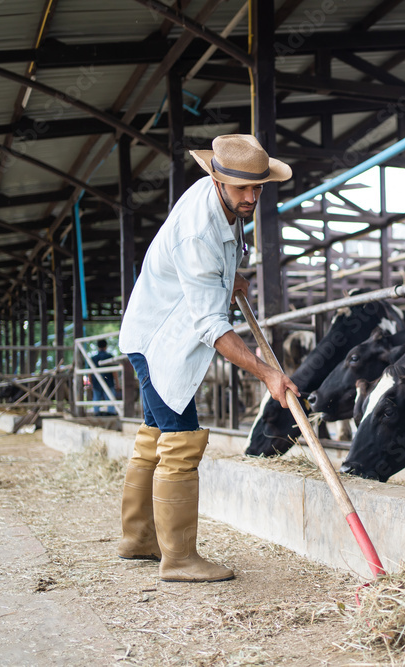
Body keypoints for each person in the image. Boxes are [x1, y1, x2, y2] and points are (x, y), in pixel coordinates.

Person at [118, 134, 300, 583]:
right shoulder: (199, 228)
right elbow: (212, 328)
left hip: (163, 326)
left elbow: (211, 266)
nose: (252, 196)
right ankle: (178, 560)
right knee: (180, 440)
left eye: (258, 187)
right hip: (160, 338)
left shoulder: (225, 202)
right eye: (243, 188)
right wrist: (267, 373)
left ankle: (137, 537)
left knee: (154, 433)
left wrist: (229, 276)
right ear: (218, 179)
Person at [90, 339, 117, 416]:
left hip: (96, 382)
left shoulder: (93, 358)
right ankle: (111, 412)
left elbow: (89, 373)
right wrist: (117, 383)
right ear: (106, 346)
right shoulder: (110, 357)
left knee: (96, 398)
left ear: (98, 347)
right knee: (110, 398)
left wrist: (91, 383)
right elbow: (114, 372)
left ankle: (96, 412)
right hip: (109, 382)